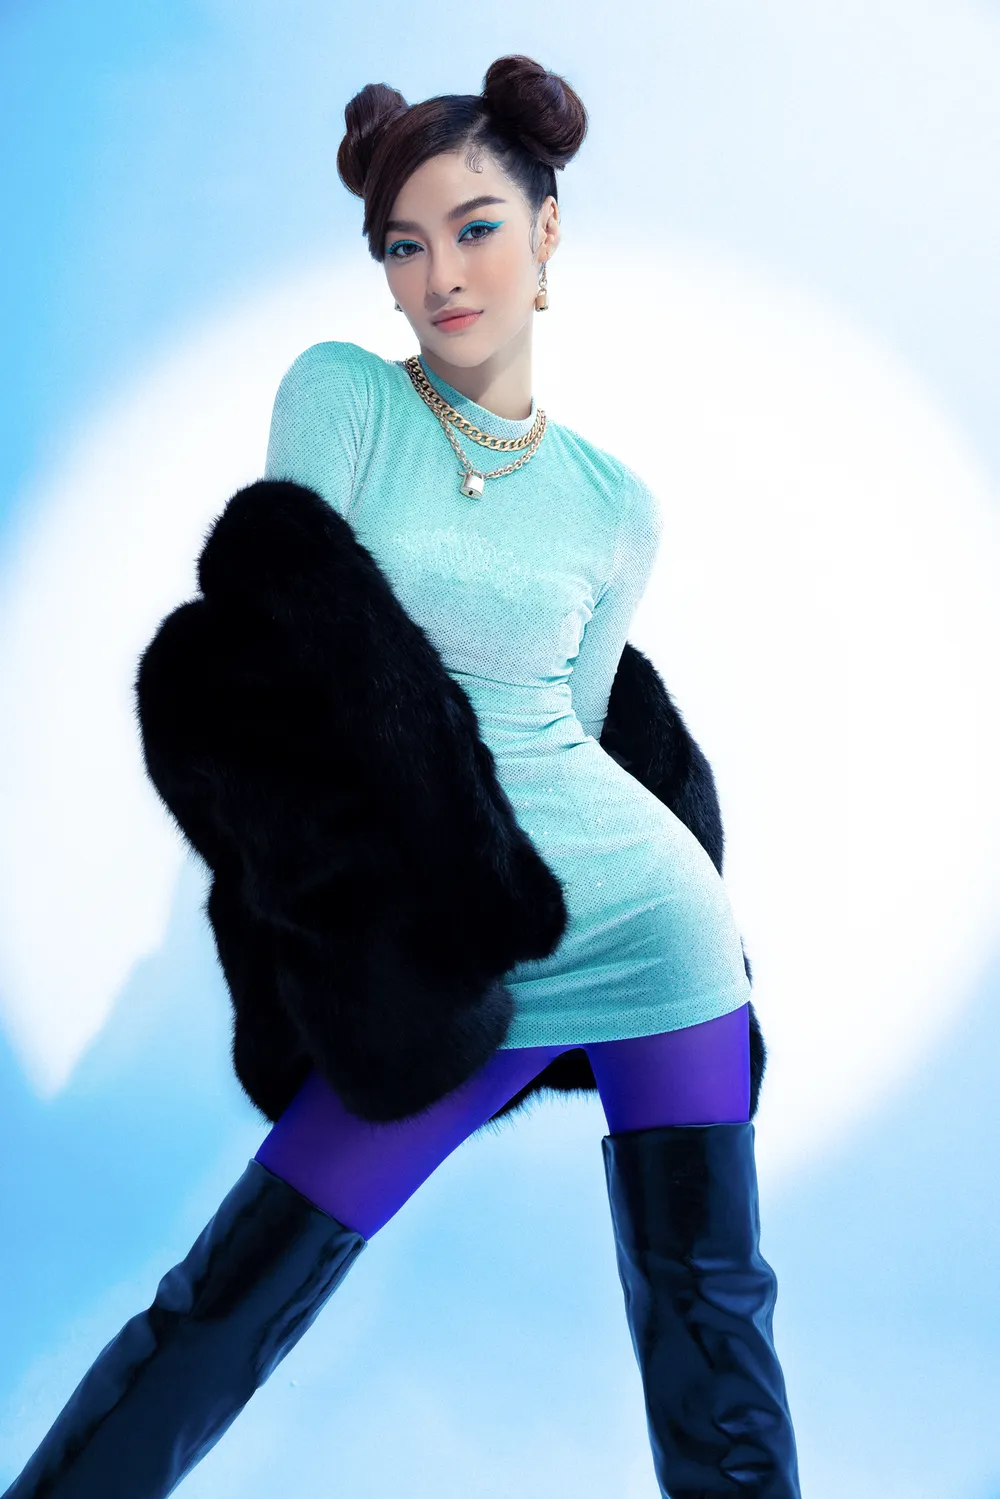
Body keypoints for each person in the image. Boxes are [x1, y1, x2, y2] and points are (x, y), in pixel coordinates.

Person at [5, 54, 801, 1498]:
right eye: (404, 243)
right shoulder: (346, 400)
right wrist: (367, 924)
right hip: (451, 940)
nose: (442, 273)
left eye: (476, 227)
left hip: (655, 930)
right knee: (225, 1303)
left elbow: (571, 727)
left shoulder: (616, 504)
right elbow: (287, 669)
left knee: (712, 1318)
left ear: (547, 231)